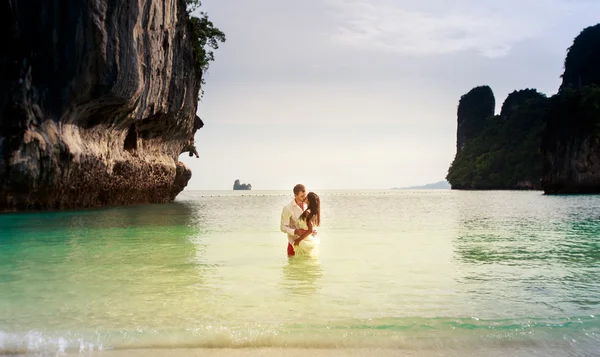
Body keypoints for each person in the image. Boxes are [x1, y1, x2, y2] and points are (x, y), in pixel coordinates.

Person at [280, 184, 315, 256]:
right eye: (302, 196)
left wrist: (314, 230)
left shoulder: (307, 204)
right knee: (293, 266)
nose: (305, 197)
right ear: (295, 195)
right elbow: (282, 227)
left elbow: (310, 221)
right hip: (294, 243)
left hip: (308, 242)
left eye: (305, 195)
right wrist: (295, 231)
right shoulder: (288, 208)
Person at [292, 192, 320, 256]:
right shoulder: (314, 212)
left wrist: (298, 240)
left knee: (300, 261)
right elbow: (312, 229)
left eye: (306, 197)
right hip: (310, 239)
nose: (305, 198)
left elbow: (310, 230)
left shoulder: (308, 212)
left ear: (309, 200)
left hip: (305, 240)